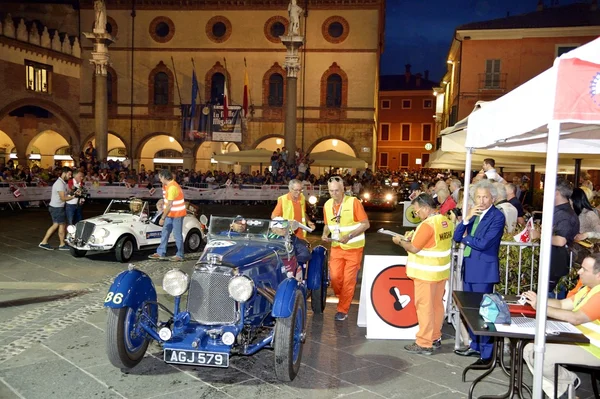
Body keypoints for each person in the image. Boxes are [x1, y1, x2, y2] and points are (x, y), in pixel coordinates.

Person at [522, 253, 600, 399]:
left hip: (594, 349)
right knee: (528, 349)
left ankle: (569, 385)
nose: (579, 272)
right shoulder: (588, 289)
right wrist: (538, 299)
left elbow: (576, 318)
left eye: (584, 269)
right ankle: (565, 391)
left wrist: (541, 307)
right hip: (581, 342)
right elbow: (562, 304)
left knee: (540, 356)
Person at [394, 194, 454, 355]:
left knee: (424, 308)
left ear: (426, 208)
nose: (416, 214)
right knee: (436, 305)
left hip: (425, 273)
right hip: (440, 273)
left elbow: (413, 248)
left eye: (416, 211)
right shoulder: (445, 221)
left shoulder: (428, 225)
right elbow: (433, 243)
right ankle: (435, 337)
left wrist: (400, 241)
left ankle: (424, 343)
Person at [453, 180, 505, 364]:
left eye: (485, 197)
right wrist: (466, 219)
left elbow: (483, 244)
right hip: (470, 267)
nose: (481, 200)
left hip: (483, 270)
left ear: (493, 198)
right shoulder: (474, 214)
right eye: (478, 197)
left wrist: (467, 238)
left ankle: (487, 354)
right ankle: (475, 346)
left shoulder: (497, 217)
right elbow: (457, 236)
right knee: (471, 310)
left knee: (485, 312)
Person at [321, 176, 370, 321]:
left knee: (349, 280)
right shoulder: (327, 205)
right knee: (335, 278)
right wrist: (325, 234)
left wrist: (349, 236)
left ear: (344, 189)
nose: (334, 194)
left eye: (337, 190)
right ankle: (342, 297)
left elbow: (365, 224)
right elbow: (327, 224)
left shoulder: (354, 202)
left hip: (354, 248)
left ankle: (343, 309)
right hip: (336, 247)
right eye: (331, 191)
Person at [531, 178, 580, 298]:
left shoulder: (564, 214)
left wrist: (539, 236)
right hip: (556, 265)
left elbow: (560, 240)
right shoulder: (562, 211)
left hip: (557, 266)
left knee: (551, 300)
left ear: (556, 193)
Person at [148, 169, 186, 262]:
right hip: (171, 213)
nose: (159, 179)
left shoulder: (172, 187)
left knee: (177, 235)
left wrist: (162, 218)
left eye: (160, 177)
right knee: (165, 232)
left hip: (177, 214)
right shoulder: (167, 185)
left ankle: (180, 255)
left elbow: (169, 205)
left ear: (164, 177)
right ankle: (161, 252)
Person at [39, 167, 74, 251]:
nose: (70, 176)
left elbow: (65, 194)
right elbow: (63, 198)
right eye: (69, 174)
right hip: (57, 208)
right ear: (64, 173)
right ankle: (52, 243)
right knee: (60, 225)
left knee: (58, 225)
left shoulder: (61, 183)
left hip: (56, 207)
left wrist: (72, 193)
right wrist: (74, 196)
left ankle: (49, 243)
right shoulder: (59, 184)